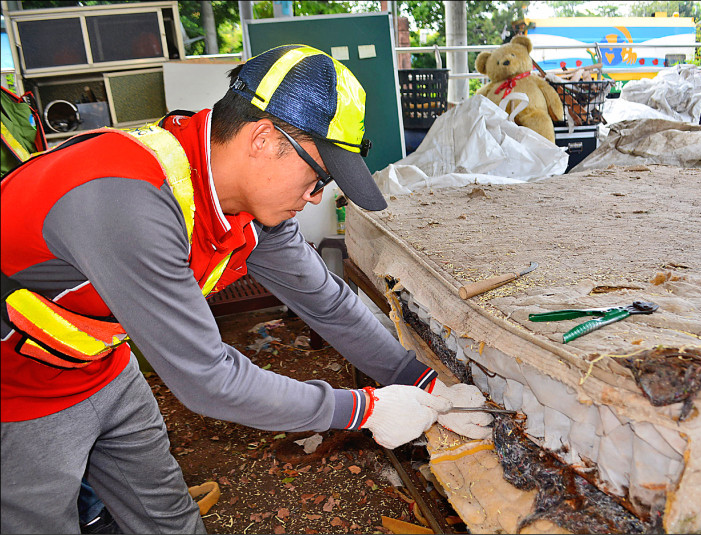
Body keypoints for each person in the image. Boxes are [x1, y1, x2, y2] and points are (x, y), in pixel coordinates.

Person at [1, 44, 491, 534]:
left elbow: (329, 303)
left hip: (103, 365)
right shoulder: (126, 200)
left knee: (166, 516)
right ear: (262, 139)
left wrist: (421, 379)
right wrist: (365, 409)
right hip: (16, 390)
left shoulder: (246, 208)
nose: (316, 196)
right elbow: (209, 380)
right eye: (318, 176)